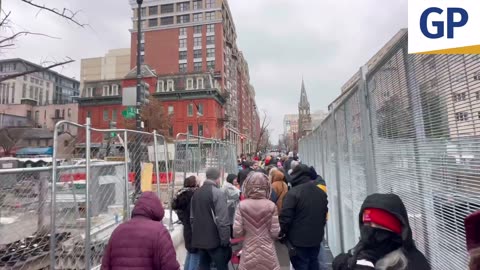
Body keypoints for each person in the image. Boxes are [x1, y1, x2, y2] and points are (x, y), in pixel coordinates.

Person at [332, 193, 430, 270]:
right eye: (368, 224)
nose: (372, 230)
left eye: (380, 226)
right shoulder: (363, 249)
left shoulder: (414, 263)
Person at [101, 192, 180, 270]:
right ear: (157, 210)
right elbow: (170, 266)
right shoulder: (160, 232)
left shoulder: (117, 232)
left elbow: (105, 266)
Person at [279, 164, 328, 270]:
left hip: (297, 241)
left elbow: (285, 217)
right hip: (316, 239)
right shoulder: (320, 192)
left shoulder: (292, 194)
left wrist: (282, 233)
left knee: (301, 265)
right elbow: (324, 215)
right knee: (314, 263)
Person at [233, 172, 281, 270]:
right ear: (267, 187)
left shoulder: (242, 206)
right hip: (268, 250)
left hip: (249, 249)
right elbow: (275, 233)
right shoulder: (271, 206)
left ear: (247, 186)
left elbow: (237, 232)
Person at [190, 168, 231, 270]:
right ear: (218, 178)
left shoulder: (196, 193)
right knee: (222, 266)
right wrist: (225, 240)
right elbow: (223, 221)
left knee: (204, 266)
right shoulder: (218, 193)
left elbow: (192, 218)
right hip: (215, 241)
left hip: (200, 240)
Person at [172, 176, 199, 270]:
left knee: (190, 251)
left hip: (187, 227)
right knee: (195, 253)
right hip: (193, 228)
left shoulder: (181, 194)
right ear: (194, 183)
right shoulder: (194, 196)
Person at [222, 173, 240, 238]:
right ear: (231, 179)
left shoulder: (228, 185)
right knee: (231, 222)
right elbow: (236, 195)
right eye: (235, 179)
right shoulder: (228, 187)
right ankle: (232, 237)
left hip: (229, 206)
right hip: (229, 207)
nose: (236, 180)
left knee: (231, 221)